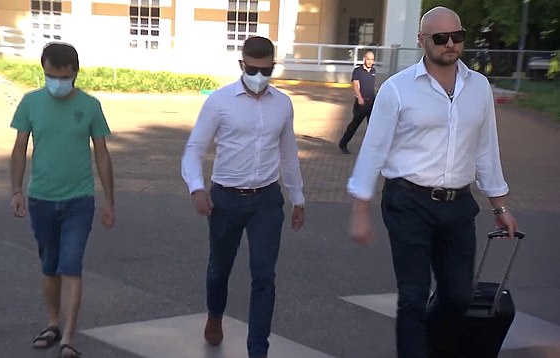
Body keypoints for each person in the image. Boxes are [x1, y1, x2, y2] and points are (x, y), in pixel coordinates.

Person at [346, 7, 518, 358]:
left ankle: (431, 347)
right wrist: (360, 209)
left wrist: (500, 206)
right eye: (441, 38)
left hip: (458, 205)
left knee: (457, 296)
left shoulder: (479, 87)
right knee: (412, 296)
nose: (451, 44)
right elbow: (373, 150)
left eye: (458, 36)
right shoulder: (397, 90)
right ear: (422, 41)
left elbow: (486, 148)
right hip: (407, 202)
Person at [181, 36, 305, 358]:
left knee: (264, 275)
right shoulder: (220, 101)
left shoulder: (282, 103)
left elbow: (289, 153)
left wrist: (298, 197)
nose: (260, 76)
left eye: (267, 70)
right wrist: (196, 187)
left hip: (267, 200)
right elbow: (194, 149)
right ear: (242, 65)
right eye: (254, 69)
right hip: (226, 198)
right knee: (219, 267)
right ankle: (214, 314)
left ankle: (257, 349)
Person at [9, 42, 115, 358]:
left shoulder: (91, 106)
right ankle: (53, 323)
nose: (55, 82)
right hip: (41, 198)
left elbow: (103, 154)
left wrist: (110, 200)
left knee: (71, 265)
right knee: (49, 266)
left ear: (74, 73)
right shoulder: (30, 103)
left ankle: (68, 336)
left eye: (61, 76)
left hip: (79, 200)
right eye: (49, 75)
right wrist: (15, 189)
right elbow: (19, 148)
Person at [338, 50, 376, 154]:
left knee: (373, 127)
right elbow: (355, 85)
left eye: (372, 60)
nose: (370, 62)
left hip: (371, 103)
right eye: (368, 59)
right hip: (361, 104)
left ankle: (372, 149)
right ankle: (343, 144)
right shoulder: (357, 71)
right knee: (354, 126)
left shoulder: (373, 71)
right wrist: (359, 98)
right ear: (364, 59)